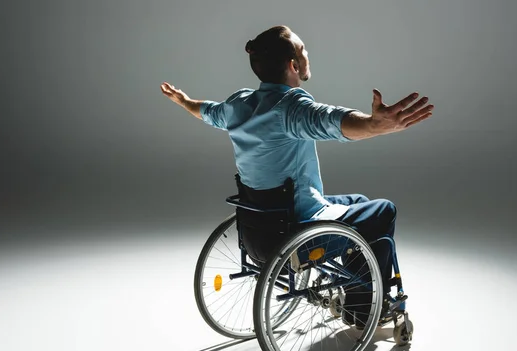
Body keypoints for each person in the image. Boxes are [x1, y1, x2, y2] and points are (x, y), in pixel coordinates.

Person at [160, 25, 433, 326]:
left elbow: (208, 111)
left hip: (257, 229)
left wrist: (184, 102)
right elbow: (331, 120)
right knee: (383, 211)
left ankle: (359, 292)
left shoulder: (239, 103)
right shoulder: (289, 108)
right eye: (303, 51)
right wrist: (373, 125)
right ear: (293, 65)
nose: (307, 55)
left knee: (360, 201)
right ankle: (363, 309)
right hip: (295, 231)